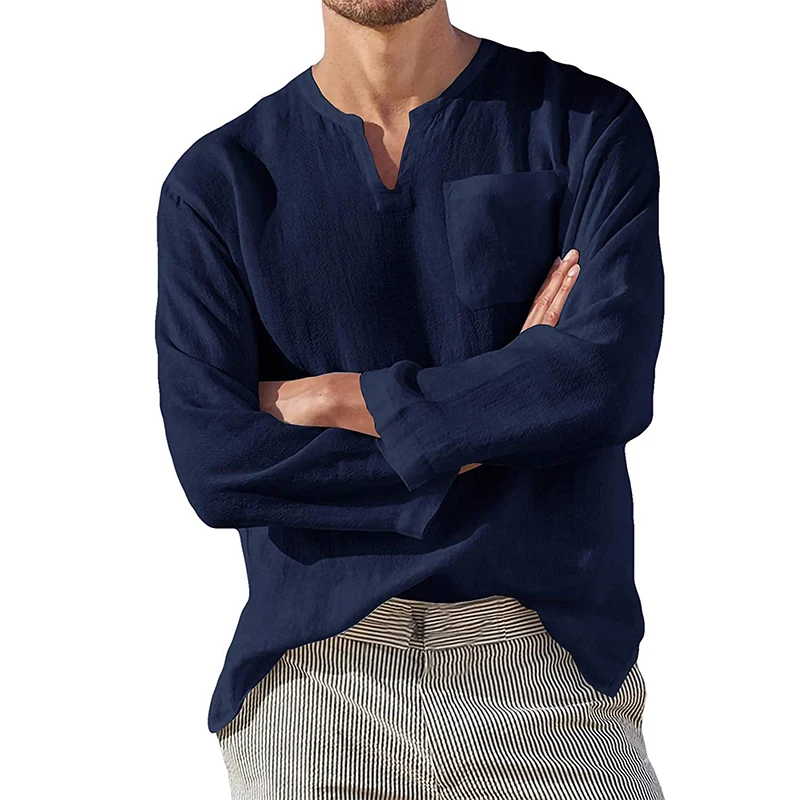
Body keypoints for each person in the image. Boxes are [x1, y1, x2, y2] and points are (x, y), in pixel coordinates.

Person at [155, 1, 666, 797]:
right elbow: (217, 465)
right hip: (314, 683)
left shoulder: (584, 127)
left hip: (547, 664)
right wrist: (498, 402)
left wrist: (340, 398)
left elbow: (604, 382)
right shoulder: (217, 186)